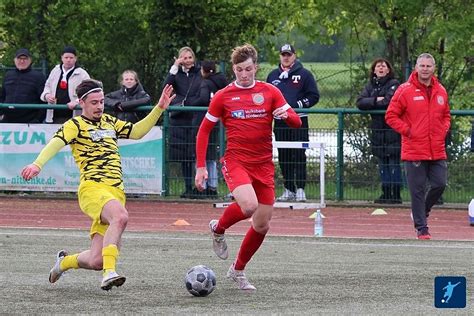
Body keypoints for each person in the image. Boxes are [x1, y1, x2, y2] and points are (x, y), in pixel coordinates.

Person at [21, 79, 175, 290]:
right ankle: (109, 273)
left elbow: (137, 132)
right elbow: (55, 143)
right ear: (81, 102)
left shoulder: (110, 122)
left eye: (102, 101)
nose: (100, 106)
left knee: (96, 260)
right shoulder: (74, 125)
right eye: (94, 102)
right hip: (93, 188)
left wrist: (159, 108)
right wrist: (37, 164)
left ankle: (64, 262)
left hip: (116, 192)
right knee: (120, 217)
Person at [195, 44, 301, 290]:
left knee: (262, 224)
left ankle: (238, 270)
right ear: (234, 69)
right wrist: (201, 166)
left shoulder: (270, 91)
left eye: (249, 69)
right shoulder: (223, 96)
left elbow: (296, 121)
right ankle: (219, 229)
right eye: (240, 70)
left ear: (256, 68)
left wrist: (285, 115)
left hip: (263, 164)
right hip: (236, 161)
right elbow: (204, 130)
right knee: (249, 205)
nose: (244, 74)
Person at [386, 53, 450, 240]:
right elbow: (391, 116)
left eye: (428, 66)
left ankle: (422, 210)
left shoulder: (441, 90)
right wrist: (409, 131)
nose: (425, 69)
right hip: (414, 149)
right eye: (422, 65)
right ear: (416, 67)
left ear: (434, 68)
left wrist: (443, 130)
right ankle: (422, 228)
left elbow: (446, 115)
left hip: (437, 148)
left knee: (440, 184)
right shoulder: (404, 90)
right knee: (417, 190)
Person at [266, 44, 320, 202]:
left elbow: (314, 96)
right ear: (280, 56)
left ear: (294, 56)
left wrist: (297, 105)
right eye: (283, 54)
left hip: (299, 120)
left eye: (289, 54)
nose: (286, 57)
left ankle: (301, 188)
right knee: (284, 155)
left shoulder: (304, 74)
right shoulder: (273, 75)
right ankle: (289, 188)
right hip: (280, 122)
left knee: (299, 154)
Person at [356, 58, 401, 204]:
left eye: (384, 66)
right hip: (377, 130)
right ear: (374, 70)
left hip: (392, 129)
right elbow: (360, 102)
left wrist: (373, 102)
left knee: (393, 162)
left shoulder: (394, 84)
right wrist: (376, 100)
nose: (381, 68)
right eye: (378, 66)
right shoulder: (370, 85)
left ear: (388, 69)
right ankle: (385, 192)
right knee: (382, 163)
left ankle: (396, 194)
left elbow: (389, 101)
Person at [164, 46, 203, 198]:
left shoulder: (199, 73)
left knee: (196, 153)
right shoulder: (176, 74)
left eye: (189, 57)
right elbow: (166, 87)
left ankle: (200, 187)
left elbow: (203, 91)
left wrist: (191, 104)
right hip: (179, 118)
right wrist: (174, 67)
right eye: (183, 58)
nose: (187, 61)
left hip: (196, 116)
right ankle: (188, 187)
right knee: (184, 156)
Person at [192, 60, 228, 198]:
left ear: (203, 70)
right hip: (217, 122)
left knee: (202, 154)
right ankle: (212, 186)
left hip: (205, 119)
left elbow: (202, 98)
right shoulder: (223, 82)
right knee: (212, 155)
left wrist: (189, 103)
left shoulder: (205, 83)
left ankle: (202, 186)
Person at [41, 45, 90, 123]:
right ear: (62, 58)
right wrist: (47, 95)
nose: (68, 60)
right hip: (54, 116)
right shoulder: (55, 71)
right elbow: (47, 86)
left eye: (71, 58)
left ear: (75, 59)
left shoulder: (82, 74)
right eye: (66, 57)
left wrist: (77, 102)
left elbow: (88, 93)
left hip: (74, 116)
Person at [0, 48, 46, 123]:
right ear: (14, 60)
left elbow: (43, 101)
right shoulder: (8, 75)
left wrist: (37, 119)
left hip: (29, 123)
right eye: (19, 58)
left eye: (25, 59)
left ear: (30, 60)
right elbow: (2, 96)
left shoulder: (39, 77)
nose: (22, 61)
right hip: (7, 121)